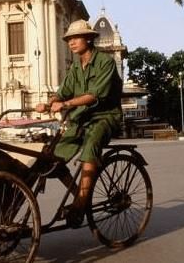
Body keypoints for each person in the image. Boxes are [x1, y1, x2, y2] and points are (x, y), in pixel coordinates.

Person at [35, 19, 123, 227]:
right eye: (69, 39)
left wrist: (65, 104)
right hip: (82, 118)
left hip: (105, 117)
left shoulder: (105, 62)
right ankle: (80, 197)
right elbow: (63, 91)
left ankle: (81, 201)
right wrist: (49, 103)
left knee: (91, 142)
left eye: (76, 38)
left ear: (89, 39)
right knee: (52, 159)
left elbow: (95, 95)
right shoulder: (75, 66)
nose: (71, 43)